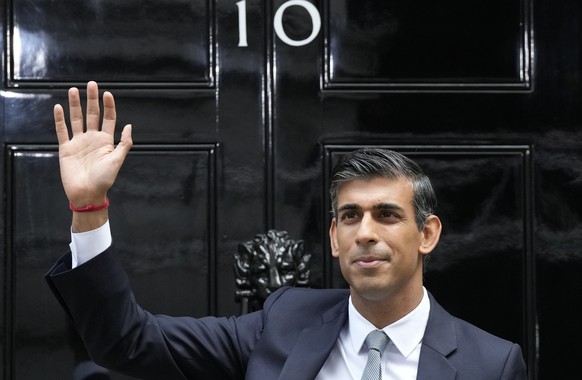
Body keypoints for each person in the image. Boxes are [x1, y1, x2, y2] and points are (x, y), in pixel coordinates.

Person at [46, 82, 527, 380]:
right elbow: (125, 341)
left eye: (386, 214)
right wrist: (89, 208)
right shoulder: (284, 323)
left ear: (427, 234)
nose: (365, 233)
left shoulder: (492, 364)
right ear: (334, 237)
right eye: (349, 216)